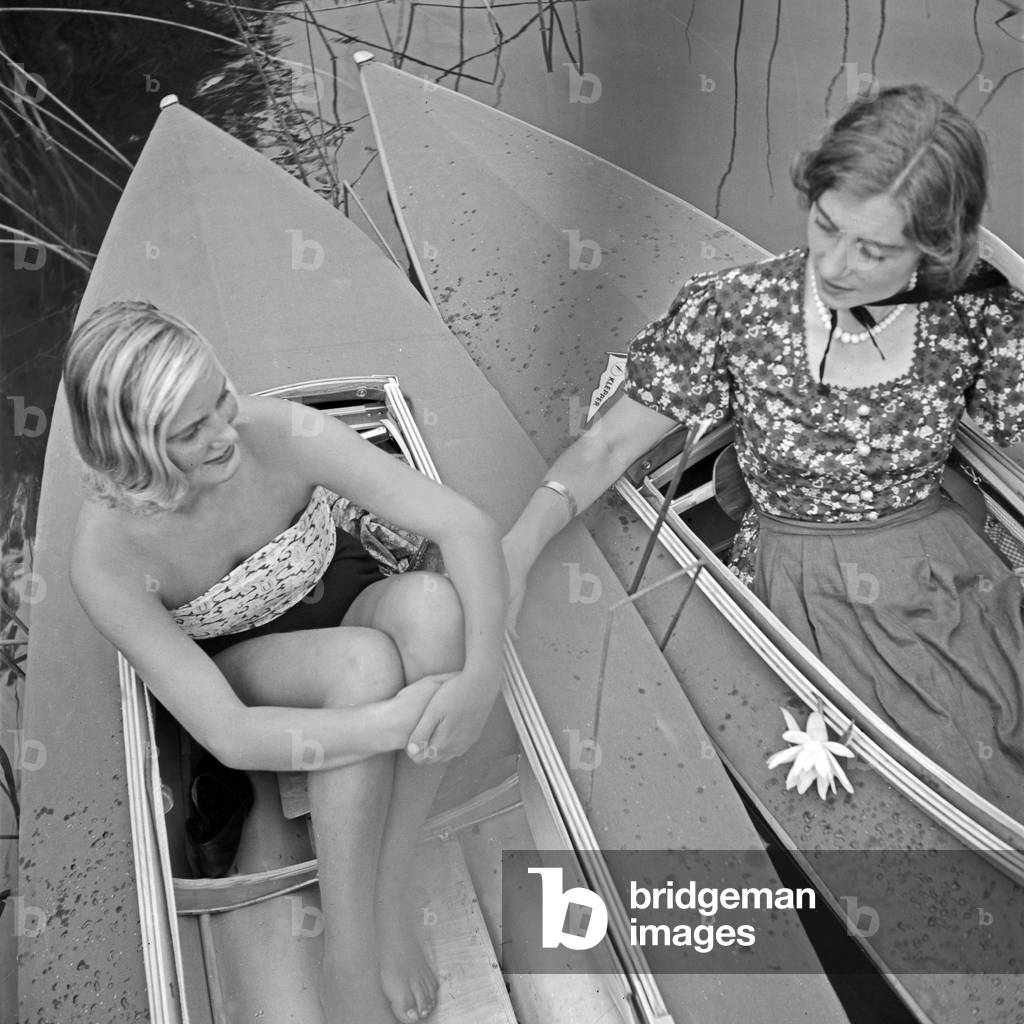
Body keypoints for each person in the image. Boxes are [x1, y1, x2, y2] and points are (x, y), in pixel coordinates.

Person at [502, 84, 1024, 819]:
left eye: (874, 250)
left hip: (940, 550)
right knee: (948, 774)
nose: (836, 265)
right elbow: (610, 442)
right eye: (826, 224)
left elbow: (1010, 418)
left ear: (933, 247)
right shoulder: (738, 307)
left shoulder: (974, 314)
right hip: (809, 571)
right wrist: (518, 547)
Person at [65, 299, 508, 1024]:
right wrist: (400, 721)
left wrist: (479, 677)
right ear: (131, 452)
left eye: (220, 397)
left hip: (345, 592)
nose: (224, 431)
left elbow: (464, 525)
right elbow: (231, 735)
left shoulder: (274, 429)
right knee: (362, 667)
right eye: (189, 430)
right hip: (251, 671)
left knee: (432, 607)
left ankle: (389, 886)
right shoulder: (106, 559)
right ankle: (349, 955)